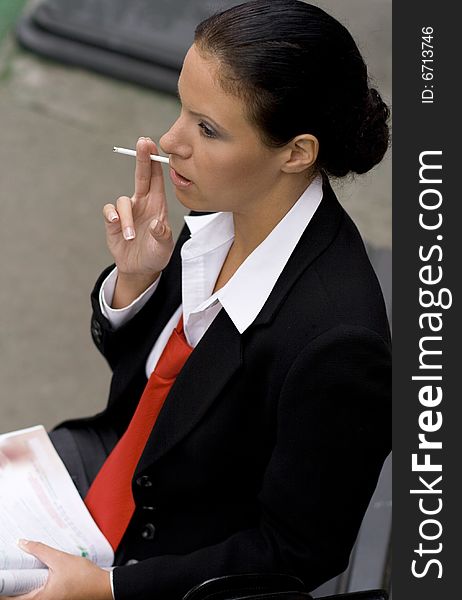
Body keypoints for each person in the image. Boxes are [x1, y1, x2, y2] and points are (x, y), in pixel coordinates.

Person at [2, 1, 391, 599]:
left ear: (296, 152)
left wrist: (106, 590)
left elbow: (294, 553)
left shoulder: (339, 343)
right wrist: (134, 284)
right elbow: (156, 391)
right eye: (182, 109)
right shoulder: (220, 207)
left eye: (207, 129)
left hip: (167, 563)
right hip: (105, 471)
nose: (169, 141)